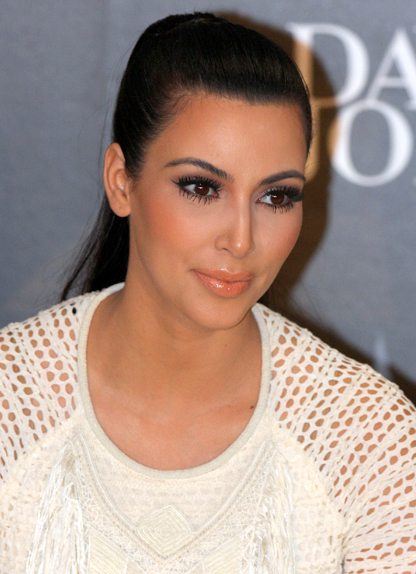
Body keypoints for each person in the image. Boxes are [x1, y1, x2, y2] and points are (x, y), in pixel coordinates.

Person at [0, 12, 415, 574]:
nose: (241, 240)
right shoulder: (11, 401)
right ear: (121, 181)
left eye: (276, 197)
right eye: (201, 187)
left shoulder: (369, 437)